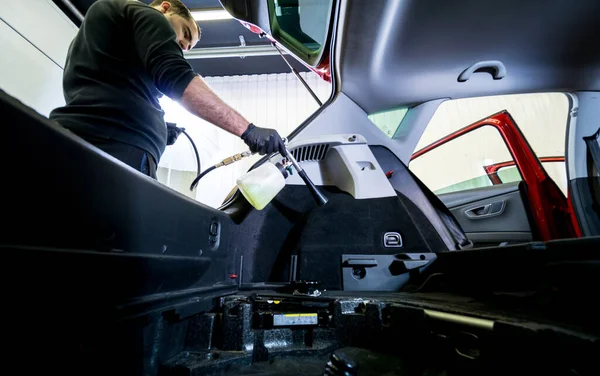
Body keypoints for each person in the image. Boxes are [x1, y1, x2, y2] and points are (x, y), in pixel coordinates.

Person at [50, 0, 285, 179]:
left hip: (95, 143)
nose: (181, 47)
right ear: (165, 8)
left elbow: (109, 87)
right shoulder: (147, 15)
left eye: (186, 47)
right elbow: (175, 76)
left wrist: (160, 128)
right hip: (118, 148)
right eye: (184, 34)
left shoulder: (100, 34)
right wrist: (248, 130)